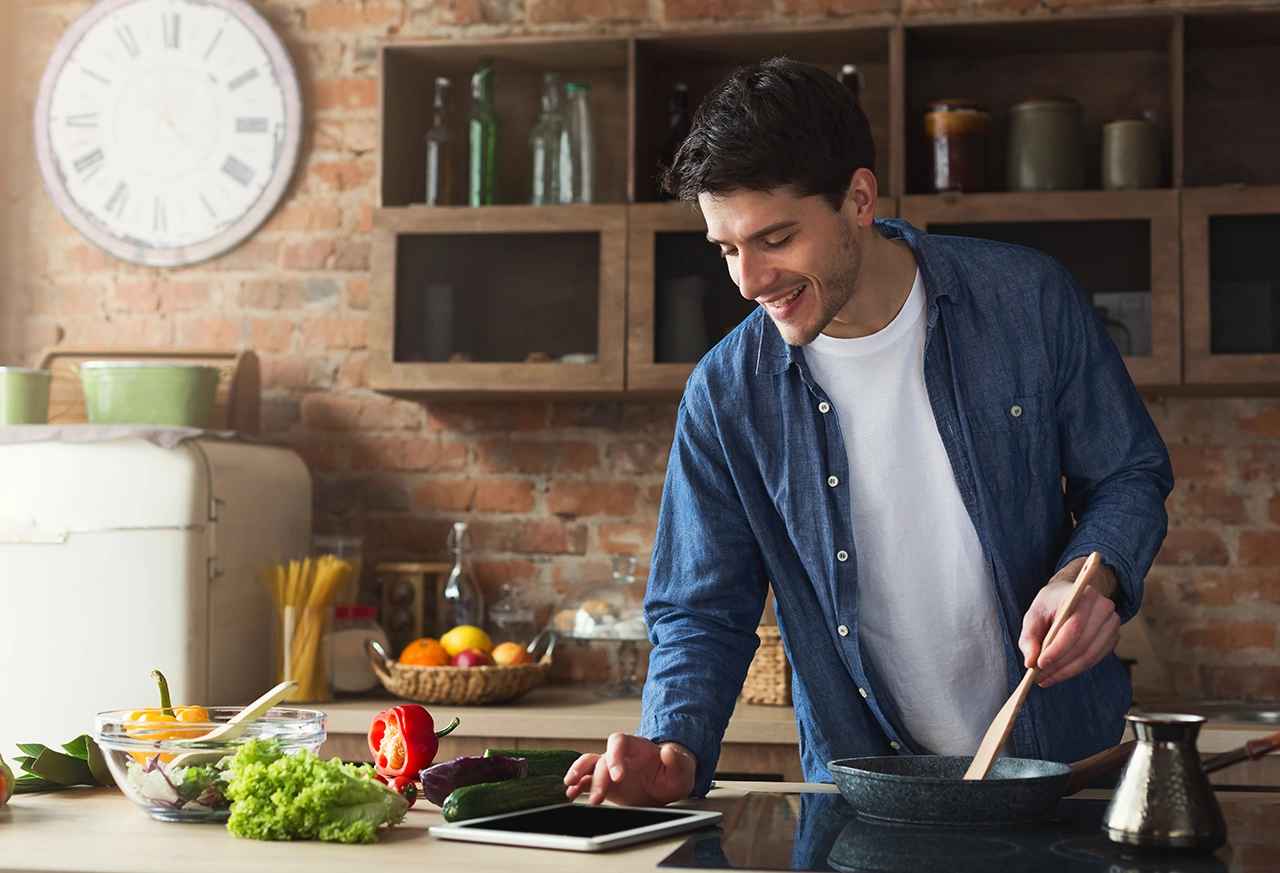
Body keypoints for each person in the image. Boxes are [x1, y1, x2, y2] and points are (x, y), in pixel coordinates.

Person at [563, 58, 1173, 807]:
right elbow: (699, 608)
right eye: (726, 248)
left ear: (857, 198)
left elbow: (1129, 473)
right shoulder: (724, 394)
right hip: (866, 798)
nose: (750, 281)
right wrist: (674, 748)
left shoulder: (1027, 301)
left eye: (775, 238)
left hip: (1066, 778)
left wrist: (1089, 575)